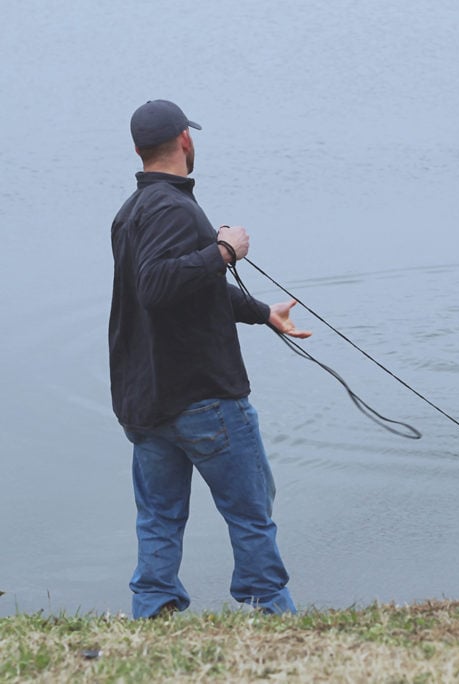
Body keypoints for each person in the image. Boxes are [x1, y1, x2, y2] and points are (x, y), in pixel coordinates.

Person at [108, 99, 311, 618]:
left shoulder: (131, 212)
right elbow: (157, 286)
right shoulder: (174, 209)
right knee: (251, 512)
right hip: (203, 398)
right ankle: (270, 609)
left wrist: (265, 313)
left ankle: (153, 610)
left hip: (150, 401)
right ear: (185, 140)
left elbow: (190, 289)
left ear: (137, 149)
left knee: (158, 517)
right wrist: (225, 251)